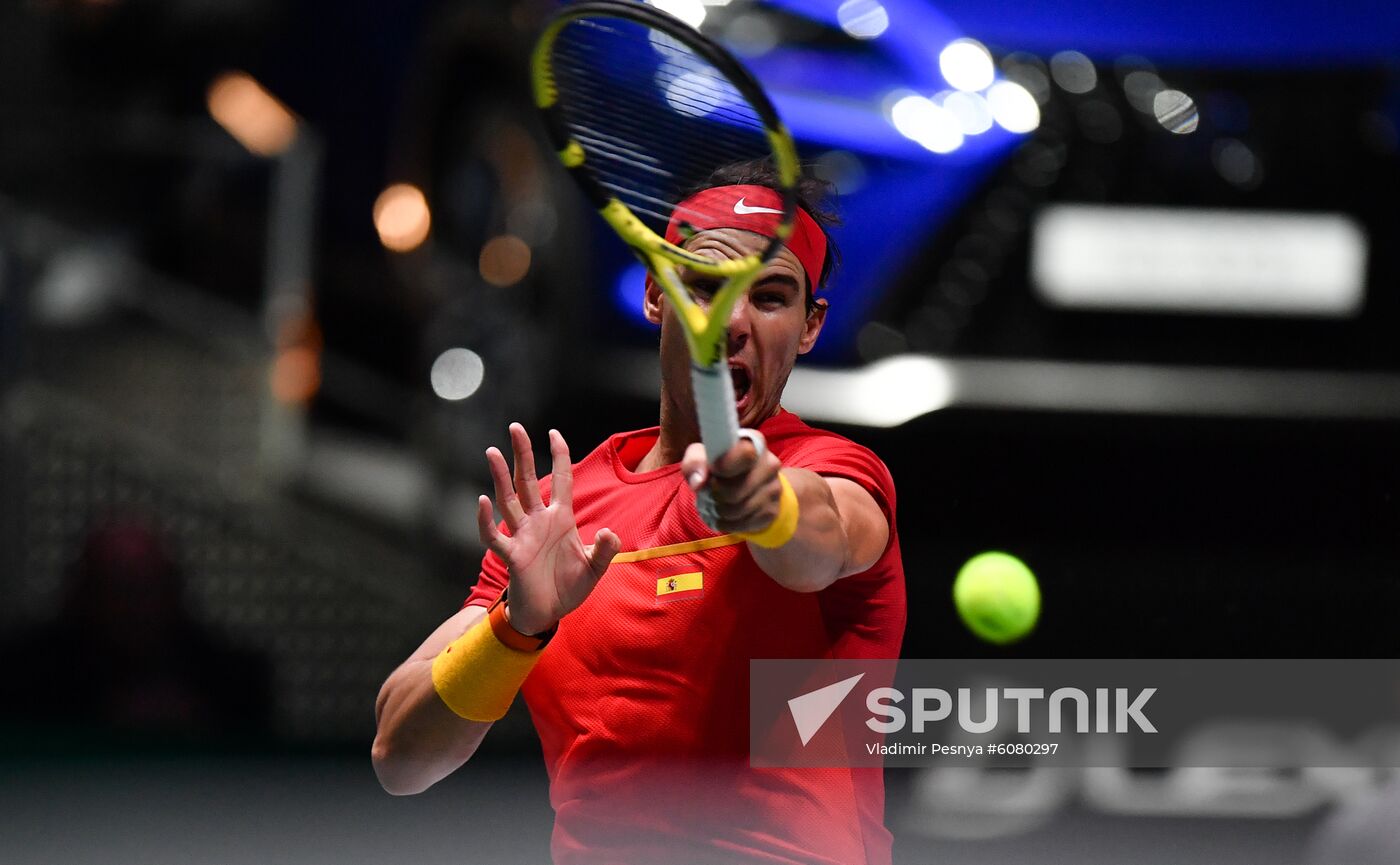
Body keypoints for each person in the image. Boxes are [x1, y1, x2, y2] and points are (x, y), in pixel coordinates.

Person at [373, 161, 906, 865]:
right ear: (656, 295)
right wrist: (514, 627)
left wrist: (765, 503)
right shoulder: (564, 511)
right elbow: (399, 758)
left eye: (770, 297)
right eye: (704, 287)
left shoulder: (835, 472)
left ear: (810, 327)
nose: (732, 322)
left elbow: (821, 542)